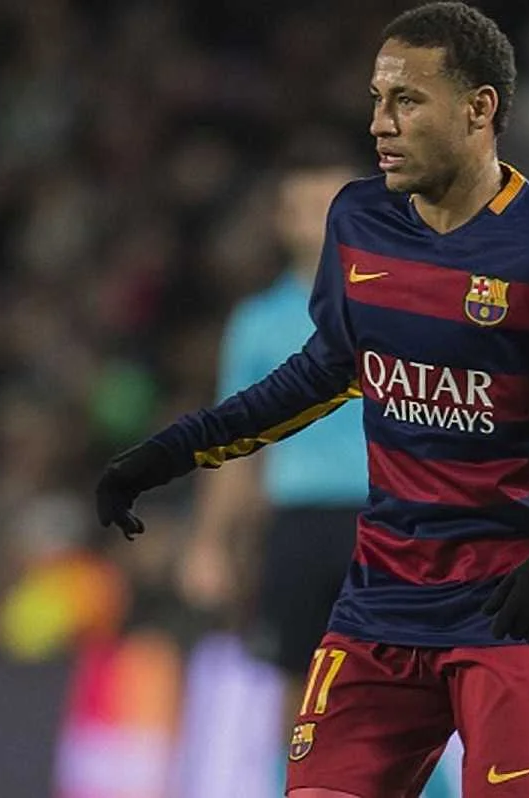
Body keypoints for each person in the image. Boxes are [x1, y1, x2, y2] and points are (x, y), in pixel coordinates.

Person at [96, 3, 529, 796]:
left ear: (479, 109)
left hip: (512, 611)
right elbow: (321, 374)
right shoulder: (359, 222)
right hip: (378, 608)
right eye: (378, 99)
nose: (381, 122)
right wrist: (173, 452)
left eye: (407, 100)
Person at [178, 150, 368, 716]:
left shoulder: (405, 307)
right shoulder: (258, 323)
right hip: (298, 520)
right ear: (283, 221)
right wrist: (211, 542)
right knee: (298, 681)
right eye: (308, 205)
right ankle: (297, 767)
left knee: (402, 676)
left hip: (391, 516)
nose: (322, 217)